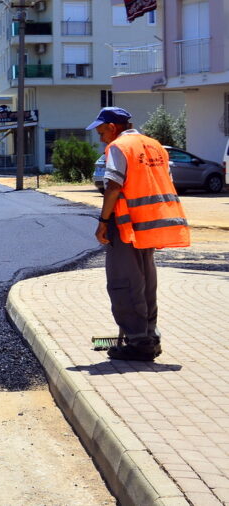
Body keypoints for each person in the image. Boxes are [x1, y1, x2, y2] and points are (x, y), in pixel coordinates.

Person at [88, 107, 190, 361]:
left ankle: (138, 343)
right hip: (150, 225)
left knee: (123, 283)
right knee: (145, 283)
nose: (101, 138)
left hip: (126, 226)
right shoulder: (155, 146)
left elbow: (113, 185)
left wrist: (103, 221)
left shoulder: (120, 147)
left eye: (102, 132)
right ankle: (149, 337)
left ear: (113, 127)